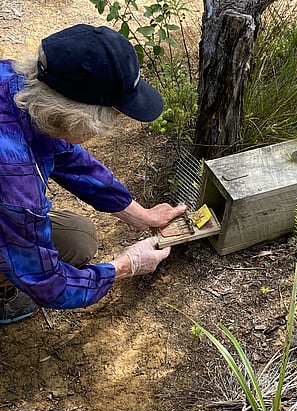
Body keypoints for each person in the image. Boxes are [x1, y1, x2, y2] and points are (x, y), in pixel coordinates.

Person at [0, 24, 187, 324]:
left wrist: (140, 215)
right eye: (111, 117)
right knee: (40, 255)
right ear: (75, 116)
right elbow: (50, 285)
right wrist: (128, 264)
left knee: (77, 238)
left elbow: (68, 157)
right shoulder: (15, 178)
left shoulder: (14, 82)